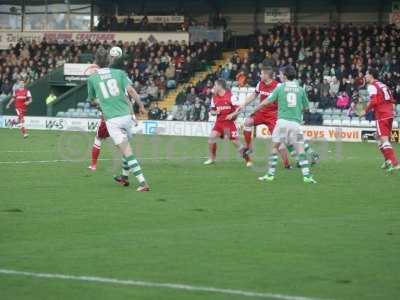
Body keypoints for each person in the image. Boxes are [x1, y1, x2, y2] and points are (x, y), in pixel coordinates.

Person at [87, 47, 149, 192]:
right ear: (109, 60)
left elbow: (92, 100)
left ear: (96, 61)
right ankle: (124, 177)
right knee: (124, 148)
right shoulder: (120, 73)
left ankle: (143, 183)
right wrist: (141, 106)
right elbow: (131, 91)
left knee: (127, 150)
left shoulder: (92, 78)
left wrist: (100, 104)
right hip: (127, 115)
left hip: (113, 120)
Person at [253, 66, 317, 184]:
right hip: (295, 124)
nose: (279, 76)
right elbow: (307, 107)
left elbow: (266, 102)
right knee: (301, 149)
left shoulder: (280, 88)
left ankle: (270, 175)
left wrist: (254, 111)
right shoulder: (300, 89)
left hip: (282, 123)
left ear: (286, 76)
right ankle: (307, 176)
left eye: (281, 74)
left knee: (274, 147)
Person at [240, 66, 290, 168]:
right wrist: (243, 104)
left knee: (278, 140)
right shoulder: (260, 84)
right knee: (247, 122)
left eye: (262, 74)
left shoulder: (278, 86)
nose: (260, 75)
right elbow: (254, 95)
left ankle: (287, 164)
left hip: (273, 115)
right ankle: (249, 147)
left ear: (267, 75)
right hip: (261, 112)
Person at [203, 79, 250, 165]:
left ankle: (248, 160)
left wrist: (232, 114)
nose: (214, 87)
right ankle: (212, 159)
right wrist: (214, 112)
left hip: (229, 124)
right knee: (211, 140)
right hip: (219, 123)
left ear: (220, 86)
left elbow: (239, 109)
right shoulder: (214, 97)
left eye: (215, 85)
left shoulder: (231, 96)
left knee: (236, 143)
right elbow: (212, 110)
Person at [361, 68, 399, 173]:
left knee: (384, 139)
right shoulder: (383, 85)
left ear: (371, 75)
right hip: (390, 114)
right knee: (377, 136)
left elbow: (374, 101)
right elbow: (392, 100)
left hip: (382, 115)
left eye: (366, 74)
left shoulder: (372, 86)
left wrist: (365, 110)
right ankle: (387, 160)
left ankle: (395, 163)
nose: (365, 76)